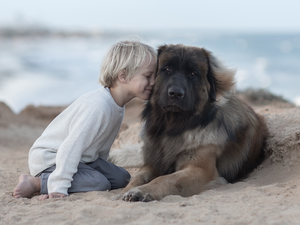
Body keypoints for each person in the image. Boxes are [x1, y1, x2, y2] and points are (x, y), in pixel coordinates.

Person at [13, 40, 157, 200]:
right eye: (148, 76)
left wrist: (101, 167)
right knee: (99, 183)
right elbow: (70, 147)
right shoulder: (98, 106)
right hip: (51, 158)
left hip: (85, 159)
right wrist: (58, 186)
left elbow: (101, 146)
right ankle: (36, 182)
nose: (154, 82)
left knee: (122, 178)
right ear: (123, 76)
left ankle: (84, 176)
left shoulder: (117, 104)